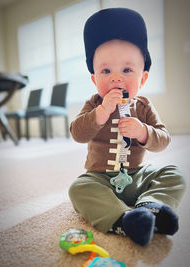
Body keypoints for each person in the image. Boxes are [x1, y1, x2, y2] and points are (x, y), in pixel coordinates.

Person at [68, 8, 186, 246]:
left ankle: (152, 207)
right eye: (106, 71)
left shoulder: (143, 106)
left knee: (175, 174)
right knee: (78, 188)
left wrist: (143, 131)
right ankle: (124, 219)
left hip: (137, 176)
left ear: (142, 78)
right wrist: (100, 113)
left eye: (127, 70)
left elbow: (163, 138)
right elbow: (77, 133)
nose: (116, 78)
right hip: (99, 178)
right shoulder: (93, 104)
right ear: (94, 79)